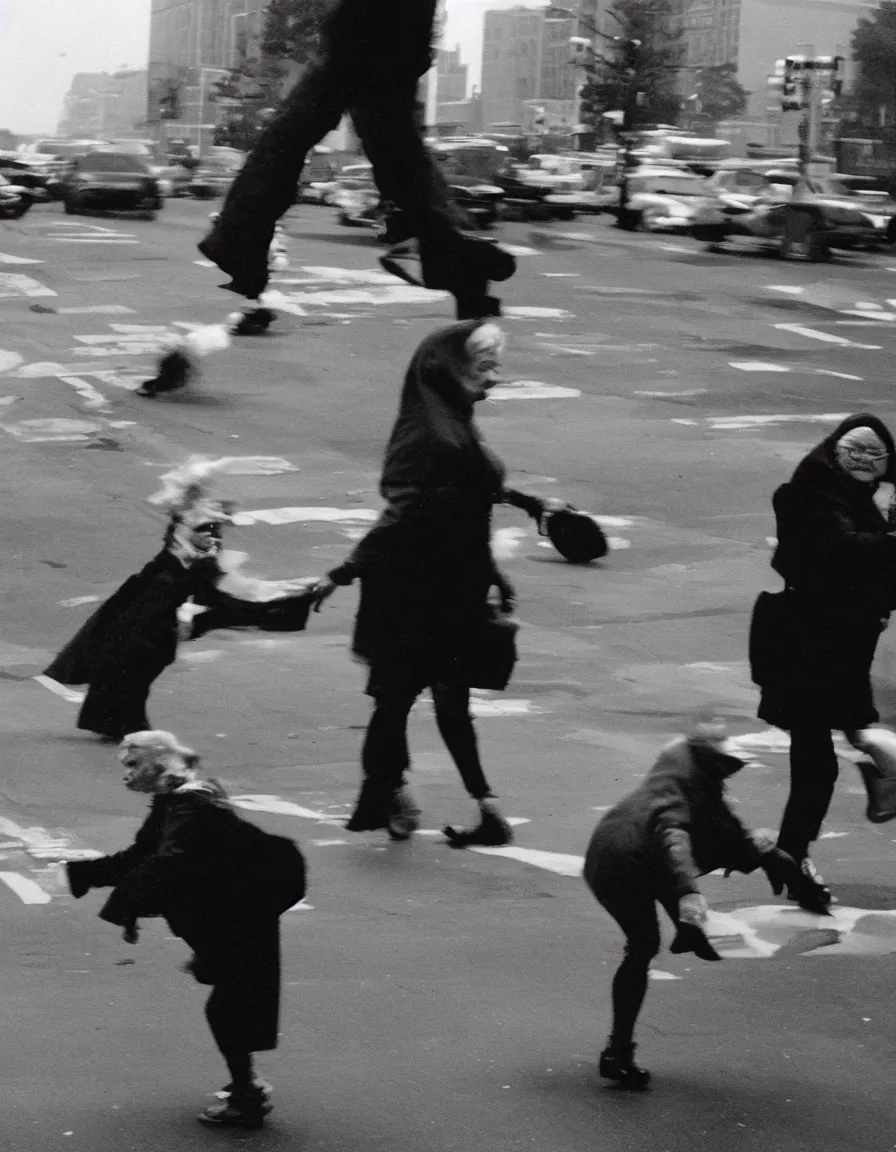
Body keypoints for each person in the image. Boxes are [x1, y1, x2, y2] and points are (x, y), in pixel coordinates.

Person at [312, 321, 540, 846]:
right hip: (419, 592)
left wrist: (492, 566)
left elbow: (460, 504)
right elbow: (405, 514)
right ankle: (479, 805)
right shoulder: (434, 434)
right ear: (449, 369)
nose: (497, 379)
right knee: (444, 699)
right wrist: (344, 571)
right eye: (486, 368)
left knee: (396, 700)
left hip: (426, 591)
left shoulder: (445, 422)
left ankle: (395, 794)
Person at [197, 0, 515, 322]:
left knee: (367, 120)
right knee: (372, 118)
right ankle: (444, 248)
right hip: (384, 19)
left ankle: (239, 233)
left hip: (382, 21)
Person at [65, 730, 306, 1128]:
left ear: (157, 763)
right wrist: (89, 875)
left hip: (239, 914)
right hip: (232, 911)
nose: (127, 775)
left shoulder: (188, 803)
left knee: (227, 1008)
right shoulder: (180, 797)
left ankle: (247, 1096)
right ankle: (245, 1085)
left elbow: (167, 860)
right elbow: (147, 852)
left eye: (132, 765)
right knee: (233, 997)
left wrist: (127, 904)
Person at [583, 711, 827, 1090]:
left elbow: (728, 830)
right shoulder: (675, 796)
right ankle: (618, 1053)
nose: (729, 776)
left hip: (636, 855)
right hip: (617, 865)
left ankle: (688, 932)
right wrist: (689, 897)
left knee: (676, 910)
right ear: (709, 763)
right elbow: (674, 843)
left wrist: (775, 863)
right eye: (725, 768)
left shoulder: (691, 777)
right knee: (644, 944)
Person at [43, 457, 315, 739]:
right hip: (145, 615)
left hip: (150, 616)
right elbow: (210, 592)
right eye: (206, 530)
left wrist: (279, 599)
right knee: (131, 668)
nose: (212, 537)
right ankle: (122, 723)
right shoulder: (185, 547)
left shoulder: (197, 553)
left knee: (128, 667)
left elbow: (212, 593)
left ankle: (112, 721)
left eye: (216, 531)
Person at [754, 414, 896, 909]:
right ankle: (794, 856)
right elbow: (842, 553)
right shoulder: (806, 497)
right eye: (857, 456)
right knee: (817, 761)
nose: (867, 466)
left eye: (876, 460)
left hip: (840, 646)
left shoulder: (850, 494)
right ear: (836, 455)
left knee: (842, 739)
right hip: (805, 646)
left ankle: (798, 852)